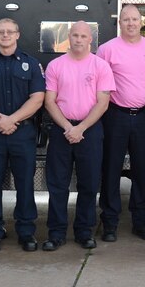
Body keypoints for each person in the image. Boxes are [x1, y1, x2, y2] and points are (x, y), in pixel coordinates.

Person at [0, 18, 45, 253]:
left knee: (25, 184)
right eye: (1, 32)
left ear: (17, 34)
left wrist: (12, 120)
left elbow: (38, 98)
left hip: (22, 133)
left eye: (9, 31)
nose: (5, 35)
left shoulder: (31, 64)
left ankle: (26, 231)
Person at [42, 21, 116, 251]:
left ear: (91, 39)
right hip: (61, 130)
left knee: (89, 184)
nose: (79, 40)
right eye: (75, 35)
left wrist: (81, 128)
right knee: (57, 185)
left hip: (90, 131)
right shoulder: (55, 65)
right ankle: (56, 233)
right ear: (69, 37)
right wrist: (67, 127)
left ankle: (85, 232)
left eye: (83, 36)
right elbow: (49, 101)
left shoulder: (101, 66)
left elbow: (103, 103)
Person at [97, 5, 145, 242]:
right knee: (111, 169)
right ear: (120, 23)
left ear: (141, 21)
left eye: (135, 19)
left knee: (141, 170)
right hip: (115, 116)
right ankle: (110, 222)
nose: (131, 23)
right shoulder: (106, 50)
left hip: (143, 116)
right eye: (126, 19)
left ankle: (141, 221)